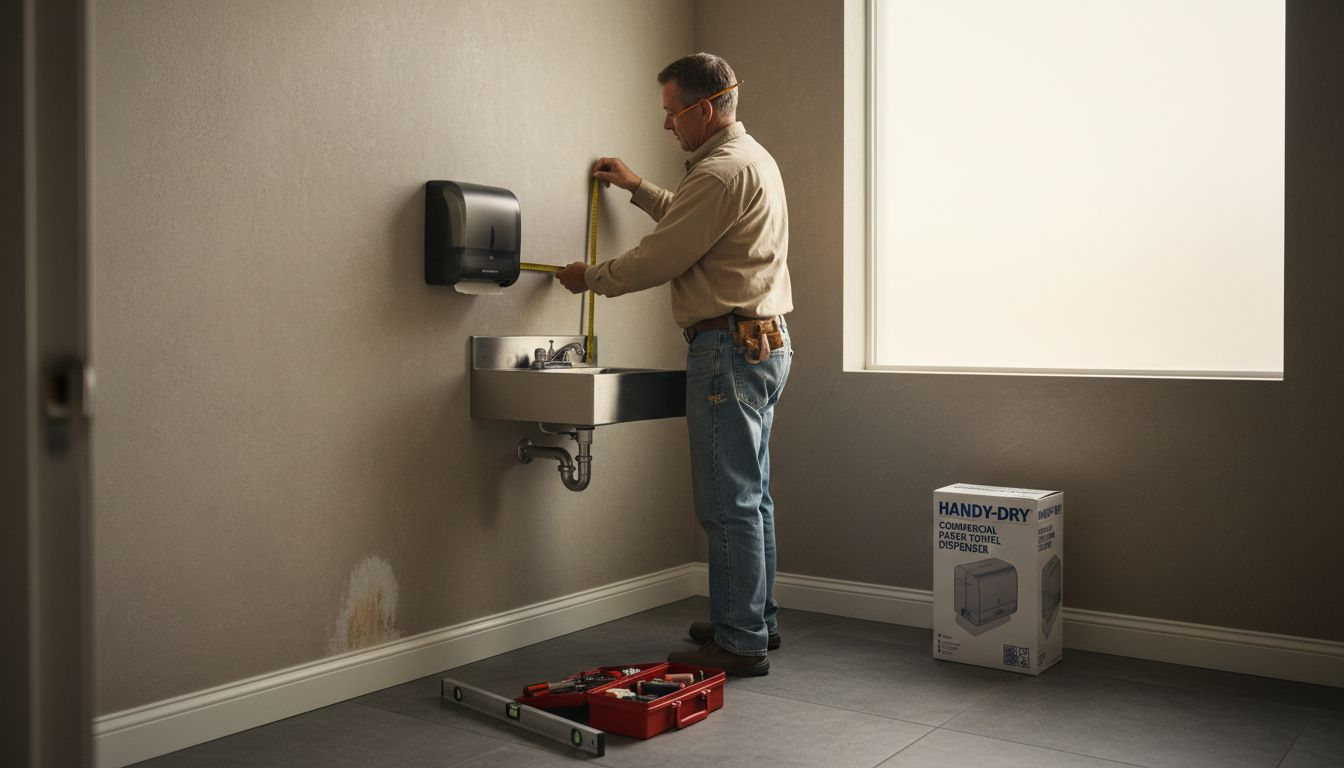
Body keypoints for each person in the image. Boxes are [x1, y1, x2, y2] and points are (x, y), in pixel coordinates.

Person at [556, 52, 793, 676]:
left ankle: (738, 640)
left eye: (670, 113)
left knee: (727, 502)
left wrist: (590, 278)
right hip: (763, 344)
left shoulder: (717, 173)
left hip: (727, 351)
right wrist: (637, 190)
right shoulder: (751, 160)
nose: (666, 126)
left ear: (704, 109)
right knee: (753, 496)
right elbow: (696, 228)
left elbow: (662, 258)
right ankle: (754, 620)